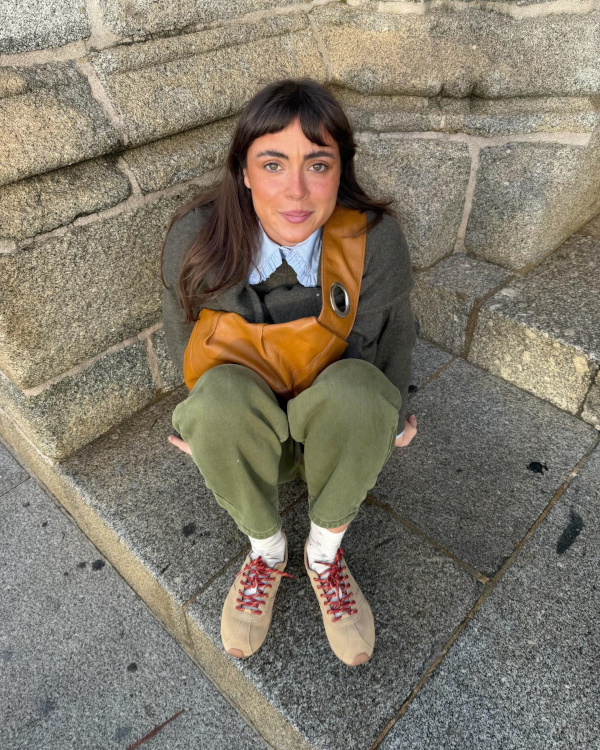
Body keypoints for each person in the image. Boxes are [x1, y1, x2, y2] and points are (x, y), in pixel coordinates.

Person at [160, 78, 417, 667]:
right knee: (216, 401)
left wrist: (392, 415)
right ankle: (267, 551)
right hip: (254, 442)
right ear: (244, 172)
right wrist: (203, 424)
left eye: (317, 164)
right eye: (273, 164)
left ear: (340, 170)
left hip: (335, 438)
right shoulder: (195, 241)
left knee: (362, 395)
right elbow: (185, 342)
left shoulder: (374, 241)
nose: (296, 190)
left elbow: (397, 335)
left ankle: (323, 553)